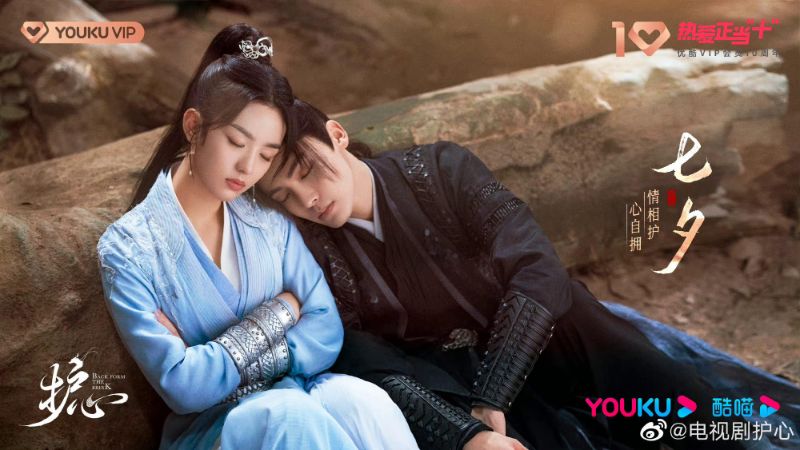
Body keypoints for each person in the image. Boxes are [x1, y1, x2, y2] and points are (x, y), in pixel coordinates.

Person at [254, 99, 800, 450]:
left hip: (548, 334)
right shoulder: (312, 250)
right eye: (285, 196)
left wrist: (495, 391)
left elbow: (535, 263)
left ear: (337, 135)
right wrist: (467, 432)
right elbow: (364, 355)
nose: (308, 199)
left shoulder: (440, 170)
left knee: (687, 414)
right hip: (454, 383)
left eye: (307, 171)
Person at [97, 25, 418, 450]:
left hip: (294, 391)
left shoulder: (266, 218)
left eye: (267, 155)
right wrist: (281, 312)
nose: (249, 168)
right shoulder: (128, 251)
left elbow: (325, 331)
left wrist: (216, 361)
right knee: (286, 414)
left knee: (361, 400)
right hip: (215, 430)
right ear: (193, 126)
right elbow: (183, 388)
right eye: (236, 142)